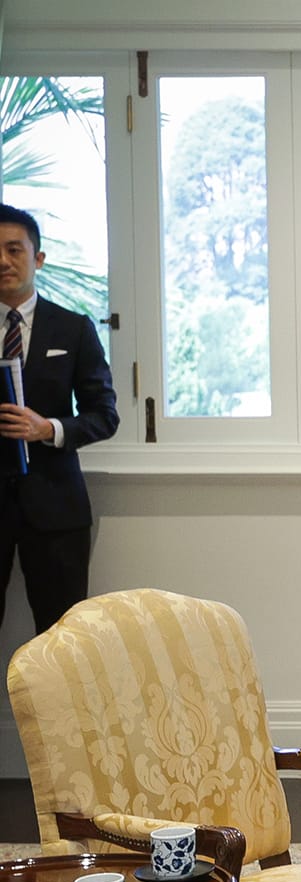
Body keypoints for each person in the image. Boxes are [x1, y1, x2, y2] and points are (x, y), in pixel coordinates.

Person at [0, 204, 118, 632]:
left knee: (63, 637)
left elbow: (104, 416)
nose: (3, 261)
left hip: (55, 507)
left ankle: (58, 706)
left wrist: (48, 428)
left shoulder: (73, 329)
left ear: (38, 259)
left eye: (14, 249)